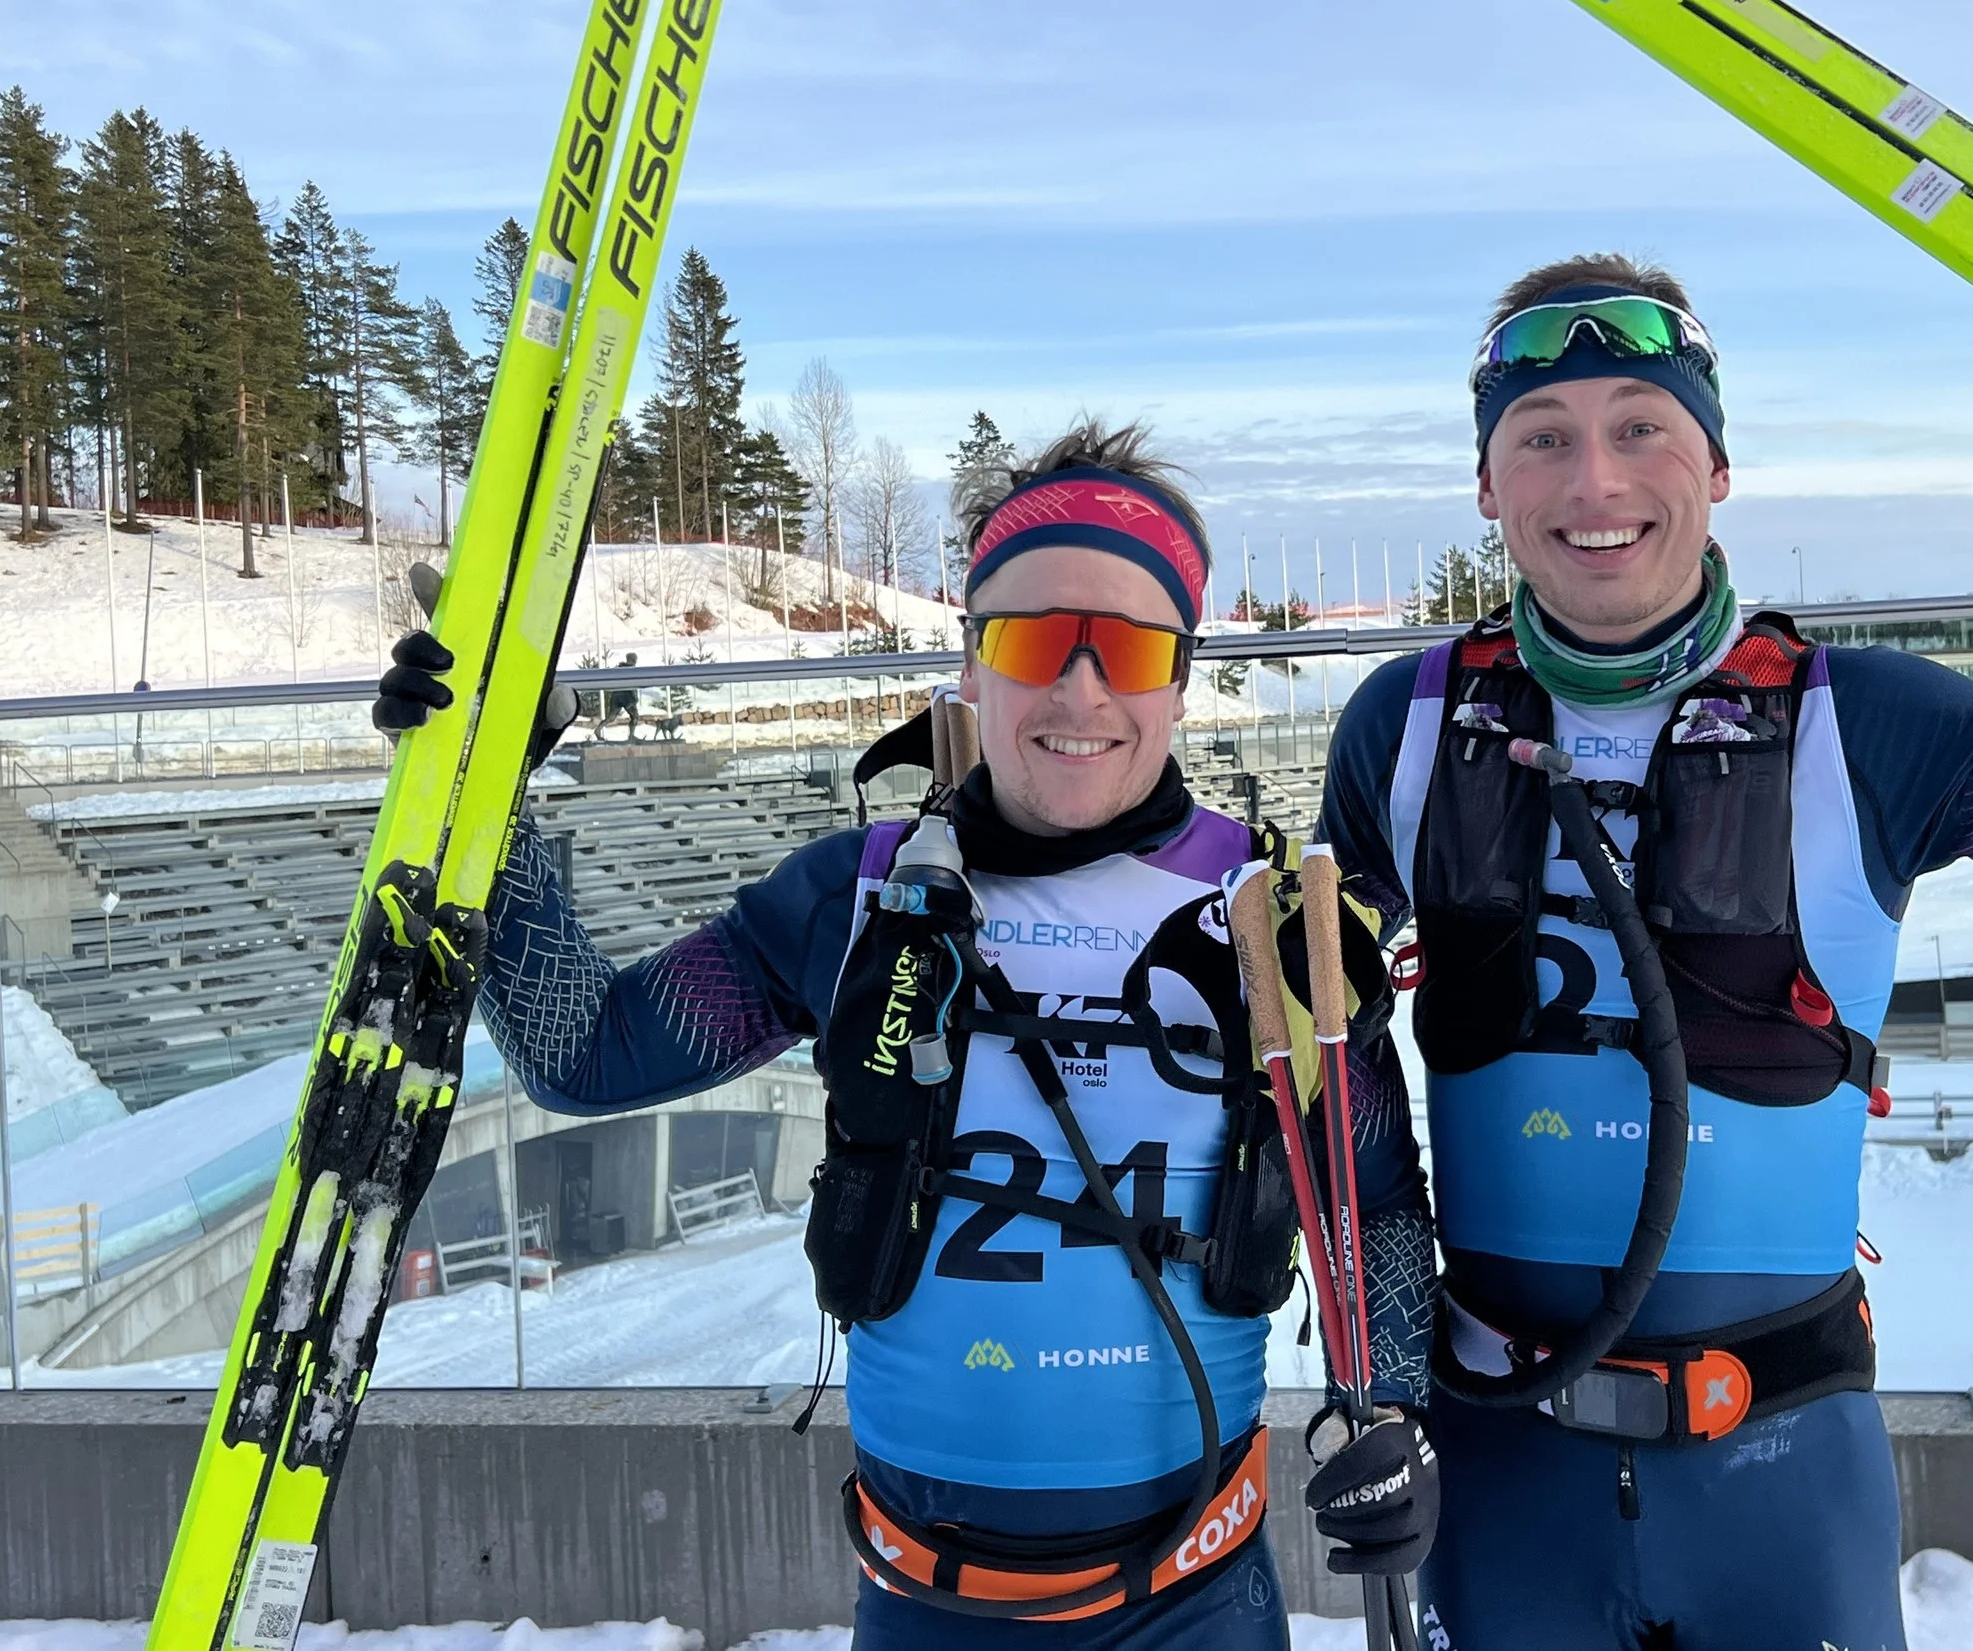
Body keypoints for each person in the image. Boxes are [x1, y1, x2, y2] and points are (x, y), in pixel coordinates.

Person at [1317, 255, 1973, 1649]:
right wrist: (1382, 1376)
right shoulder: (1404, 725)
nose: (1594, 483)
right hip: (1499, 1476)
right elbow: (1317, 1038)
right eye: (1542, 436)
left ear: (1715, 462)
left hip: (1784, 1475)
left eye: (1639, 426)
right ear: (1489, 484)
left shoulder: (1876, 722)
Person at [375, 421, 1440, 1648]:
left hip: (1193, 1605)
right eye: (1035, 641)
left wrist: (1397, 1417)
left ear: (1180, 676)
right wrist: (489, 790)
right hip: (926, 1604)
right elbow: (582, 1054)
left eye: (1130, 648)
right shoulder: (857, 901)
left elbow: (1377, 1213)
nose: (1079, 690)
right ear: (973, 665)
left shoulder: (1275, 929)